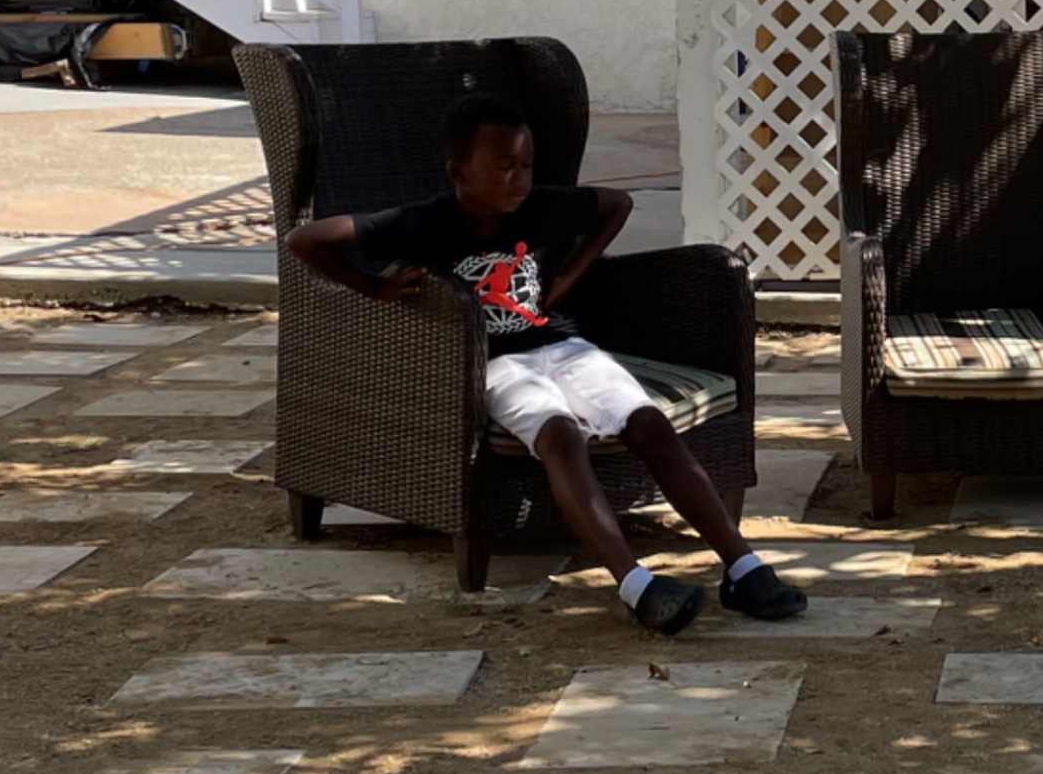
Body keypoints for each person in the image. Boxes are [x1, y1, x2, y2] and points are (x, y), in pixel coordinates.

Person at [283, 91, 806, 636]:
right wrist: (376, 288)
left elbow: (615, 206)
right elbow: (306, 240)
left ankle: (742, 567)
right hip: (494, 365)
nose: (519, 179)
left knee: (648, 421)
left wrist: (569, 275)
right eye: (503, 166)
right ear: (460, 171)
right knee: (559, 435)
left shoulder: (542, 208)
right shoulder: (422, 223)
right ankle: (636, 585)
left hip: (563, 347)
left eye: (526, 164)